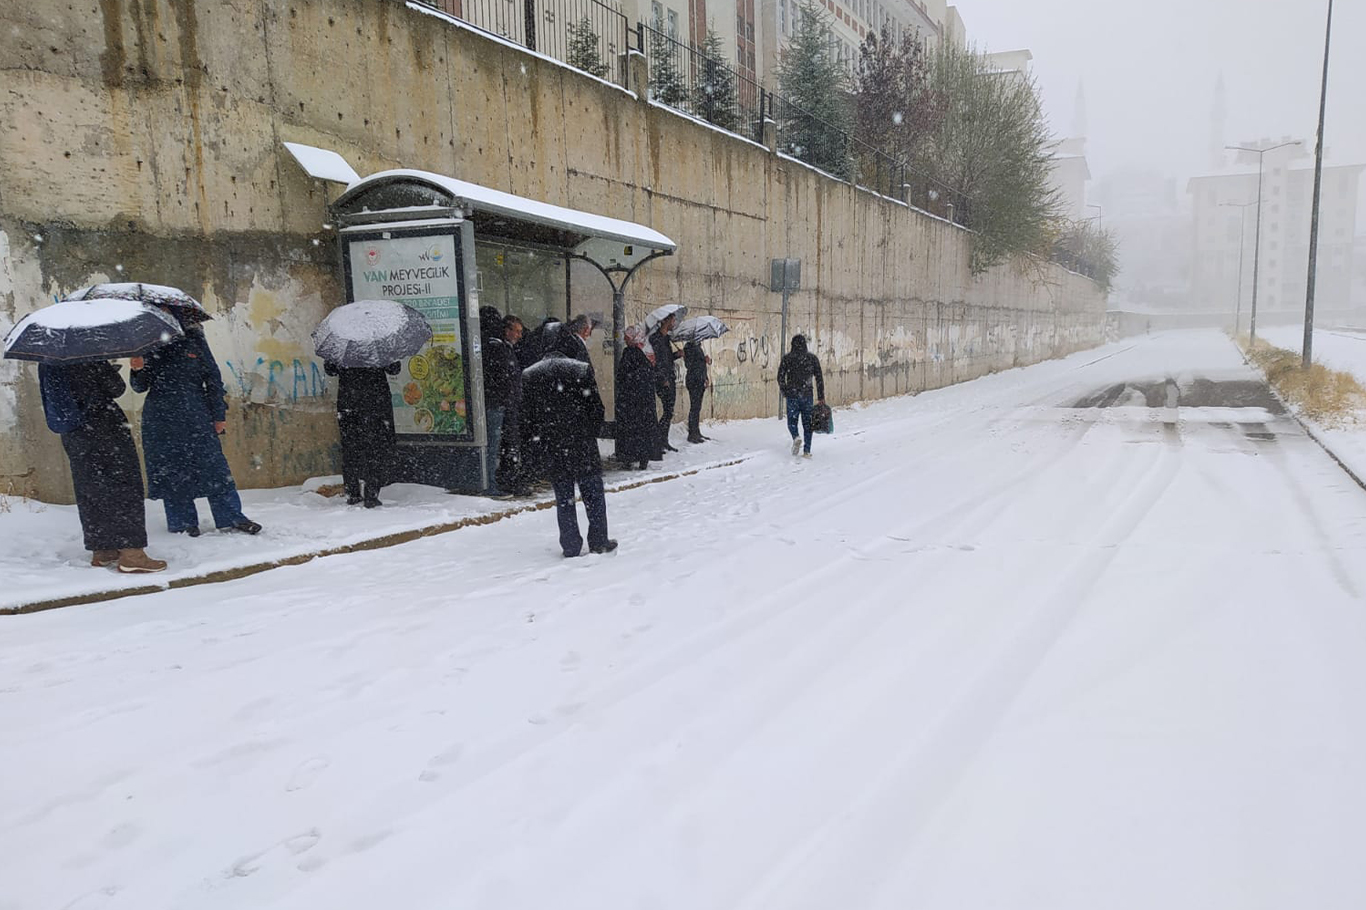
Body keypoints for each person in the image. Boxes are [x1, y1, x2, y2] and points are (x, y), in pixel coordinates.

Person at [129, 312, 261, 536]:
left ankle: (231, 517)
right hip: (161, 419)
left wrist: (219, 415)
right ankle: (182, 523)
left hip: (197, 414)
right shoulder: (147, 342)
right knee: (172, 471)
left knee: (216, 469)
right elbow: (140, 386)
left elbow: (212, 378)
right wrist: (137, 368)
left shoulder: (195, 338)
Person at [38, 360, 167, 573]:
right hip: (103, 425)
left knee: (90, 486)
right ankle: (132, 553)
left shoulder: (48, 359)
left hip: (74, 432)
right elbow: (116, 388)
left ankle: (102, 549)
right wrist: (110, 368)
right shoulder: (88, 352)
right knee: (123, 484)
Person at [520, 324, 616, 558]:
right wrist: (589, 430)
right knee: (593, 494)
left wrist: (537, 441)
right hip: (582, 443)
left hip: (554, 445)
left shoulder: (530, 374)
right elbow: (596, 408)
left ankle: (571, 544)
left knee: (564, 498)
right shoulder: (581, 370)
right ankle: (598, 539)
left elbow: (527, 416)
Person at [323, 359, 400, 507]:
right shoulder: (378, 346)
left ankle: (352, 493)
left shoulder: (342, 347)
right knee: (375, 449)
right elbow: (394, 369)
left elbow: (330, 370)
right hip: (375, 404)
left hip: (348, 404)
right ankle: (371, 494)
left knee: (350, 449)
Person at [479, 305, 518, 496]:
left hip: (490, 400)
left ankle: (488, 481)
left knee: (492, 444)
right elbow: (503, 375)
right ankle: (489, 484)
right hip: (496, 402)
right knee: (492, 445)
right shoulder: (495, 346)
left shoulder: (483, 343)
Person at [614, 325, 659, 469]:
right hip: (643, 401)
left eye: (627, 337)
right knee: (642, 430)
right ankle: (643, 457)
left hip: (632, 402)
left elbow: (623, 377)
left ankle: (630, 457)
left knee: (631, 431)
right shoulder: (646, 353)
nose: (625, 339)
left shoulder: (630, 353)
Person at [776, 333, 825, 459]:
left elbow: (780, 376)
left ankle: (796, 436)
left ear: (792, 345)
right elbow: (819, 378)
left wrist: (785, 390)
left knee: (792, 421)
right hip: (807, 395)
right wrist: (821, 397)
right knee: (808, 424)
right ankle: (807, 451)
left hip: (792, 395)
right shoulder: (812, 359)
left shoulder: (787, 358)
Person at [495, 315, 528, 494]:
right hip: (507, 405)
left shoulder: (507, 349)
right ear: (507, 331)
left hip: (511, 404)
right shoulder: (500, 349)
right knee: (510, 444)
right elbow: (505, 379)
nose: (519, 336)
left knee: (511, 443)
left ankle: (511, 477)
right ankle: (510, 479)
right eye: (517, 331)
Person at [649, 314, 681, 454]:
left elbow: (667, 359)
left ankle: (663, 440)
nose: (674, 323)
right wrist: (662, 378)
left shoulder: (667, 338)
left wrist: (677, 355)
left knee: (669, 411)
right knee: (667, 411)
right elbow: (656, 361)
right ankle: (658, 441)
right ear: (665, 321)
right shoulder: (655, 339)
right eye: (672, 320)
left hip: (670, 377)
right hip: (662, 380)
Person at [683, 339, 711, 444]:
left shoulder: (698, 346)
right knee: (694, 407)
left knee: (697, 407)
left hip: (700, 379)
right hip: (694, 380)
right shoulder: (689, 347)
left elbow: (702, 366)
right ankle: (692, 433)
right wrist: (702, 360)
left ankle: (696, 431)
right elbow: (689, 364)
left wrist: (705, 378)